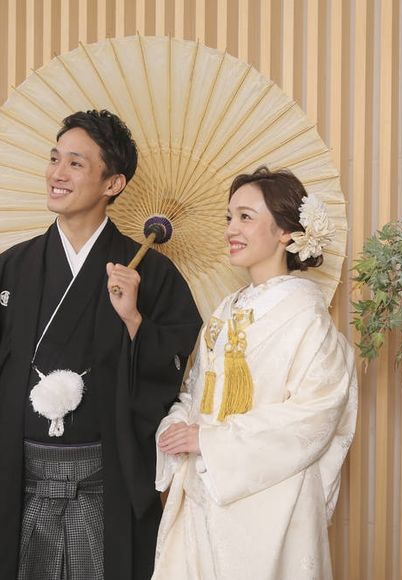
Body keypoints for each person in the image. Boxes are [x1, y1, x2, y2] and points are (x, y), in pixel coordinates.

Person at [0, 109, 202, 579]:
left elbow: (173, 366)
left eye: (75, 163)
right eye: (55, 159)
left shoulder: (148, 273)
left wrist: (134, 320)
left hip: (103, 484)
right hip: (20, 481)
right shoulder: (13, 267)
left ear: (113, 183)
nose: (57, 173)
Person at [152, 166, 358, 580]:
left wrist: (210, 439)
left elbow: (314, 415)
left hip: (273, 504)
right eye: (229, 217)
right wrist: (178, 424)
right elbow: (196, 390)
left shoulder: (307, 318)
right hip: (205, 491)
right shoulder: (225, 311)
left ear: (285, 232)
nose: (231, 228)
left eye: (246, 217)